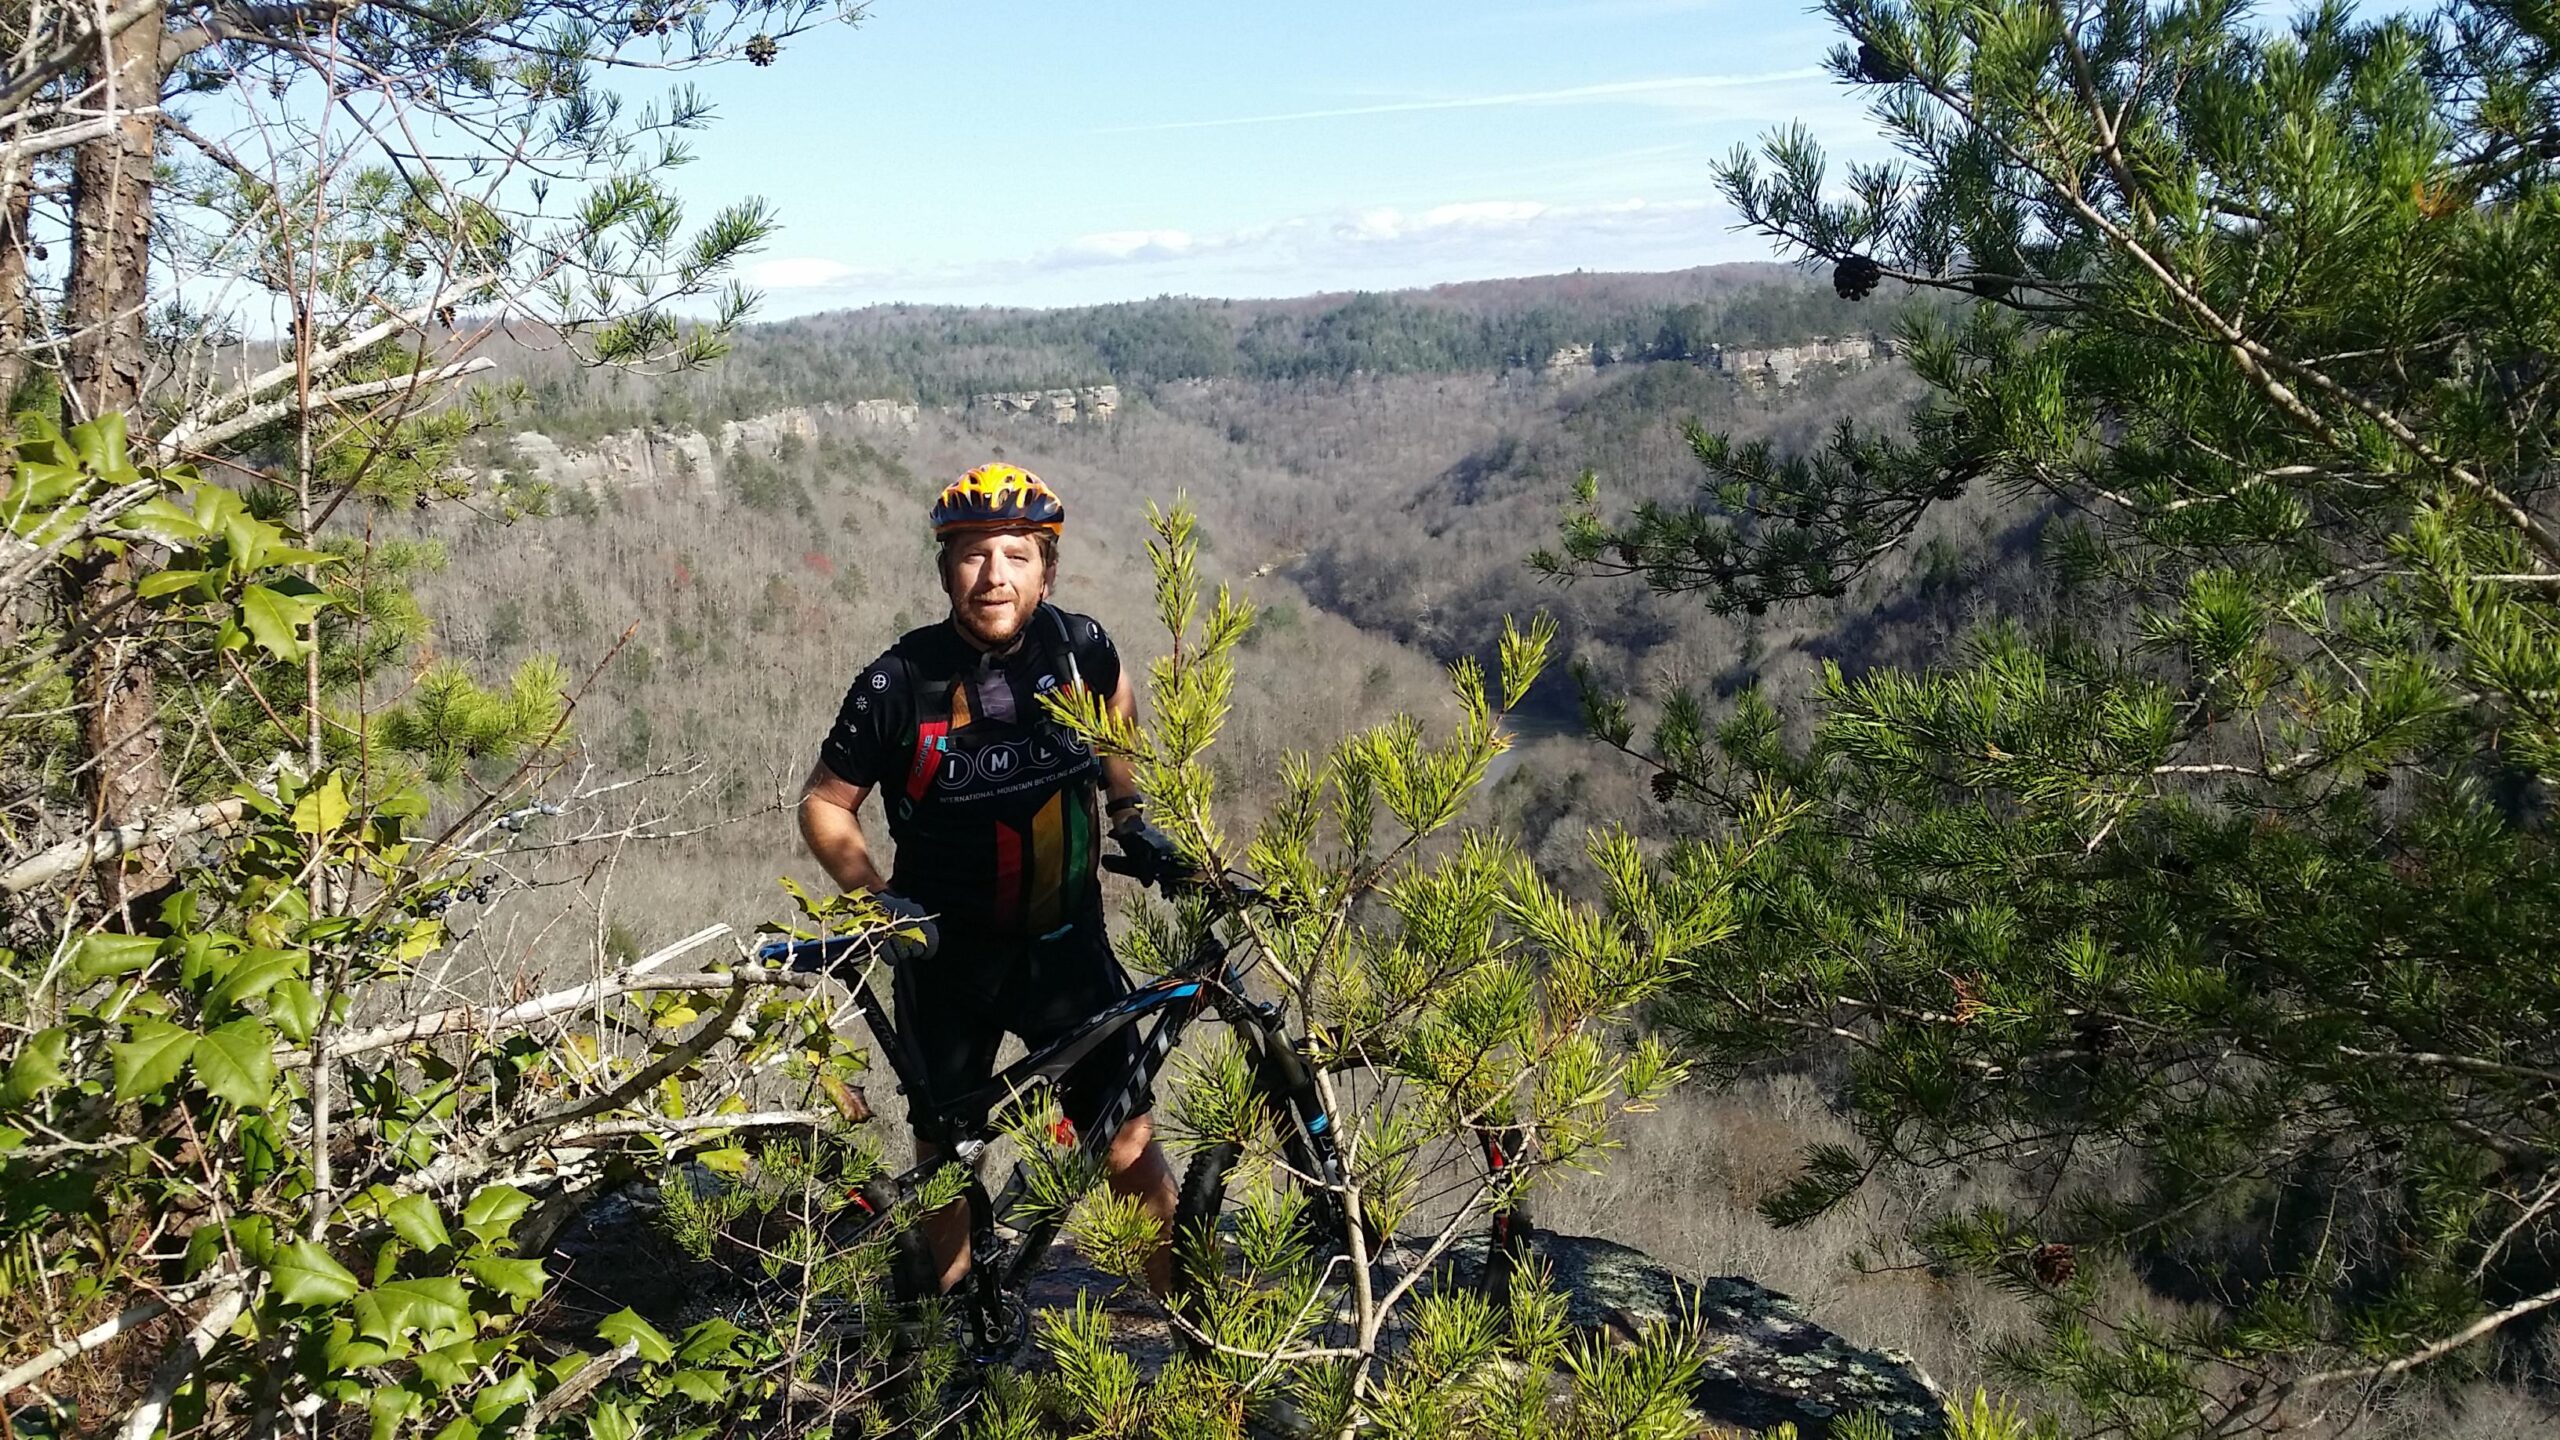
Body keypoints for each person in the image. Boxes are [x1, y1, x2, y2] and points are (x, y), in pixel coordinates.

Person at [797, 462, 1185, 1295]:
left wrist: (1130, 812)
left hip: (1064, 946)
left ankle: (1197, 1334)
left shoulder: (1080, 649)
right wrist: (874, 897)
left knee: (1123, 1138)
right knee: (945, 1153)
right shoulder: (899, 682)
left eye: (1015, 555)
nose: (994, 576)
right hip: (946, 957)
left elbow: (1118, 704)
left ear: (1047, 568)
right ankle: (949, 1340)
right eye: (973, 555)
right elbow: (826, 804)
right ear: (946, 571)